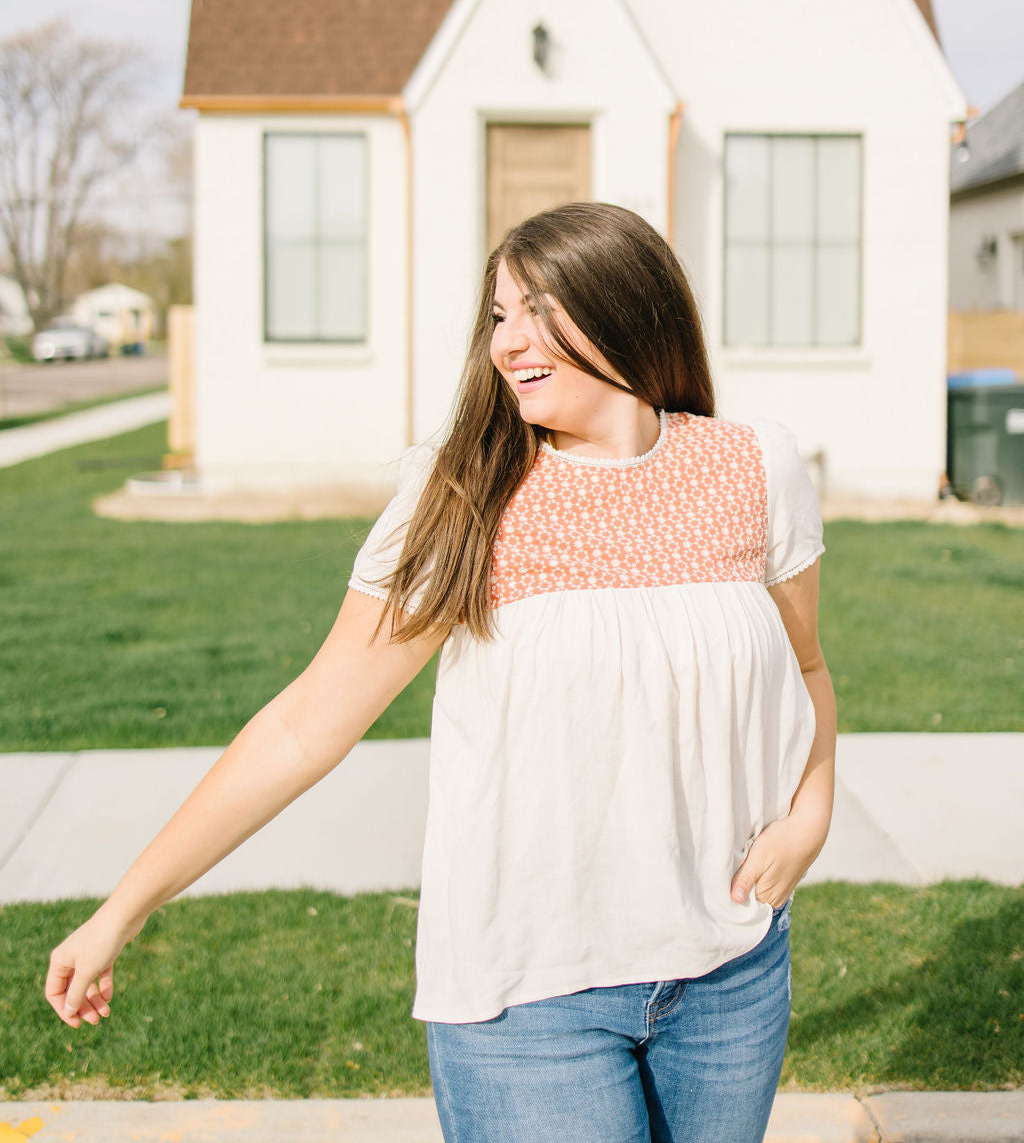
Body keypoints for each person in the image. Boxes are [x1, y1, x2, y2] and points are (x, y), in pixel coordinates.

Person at [47, 201, 835, 1143]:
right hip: (525, 1002)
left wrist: (812, 813)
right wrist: (126, 907)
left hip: (731, 974)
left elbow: (808, 666)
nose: (510, 341)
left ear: (627, 308)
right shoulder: (464, 491)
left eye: (540, 310)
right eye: (499, 315)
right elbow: (306, 725)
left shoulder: (753, 467)